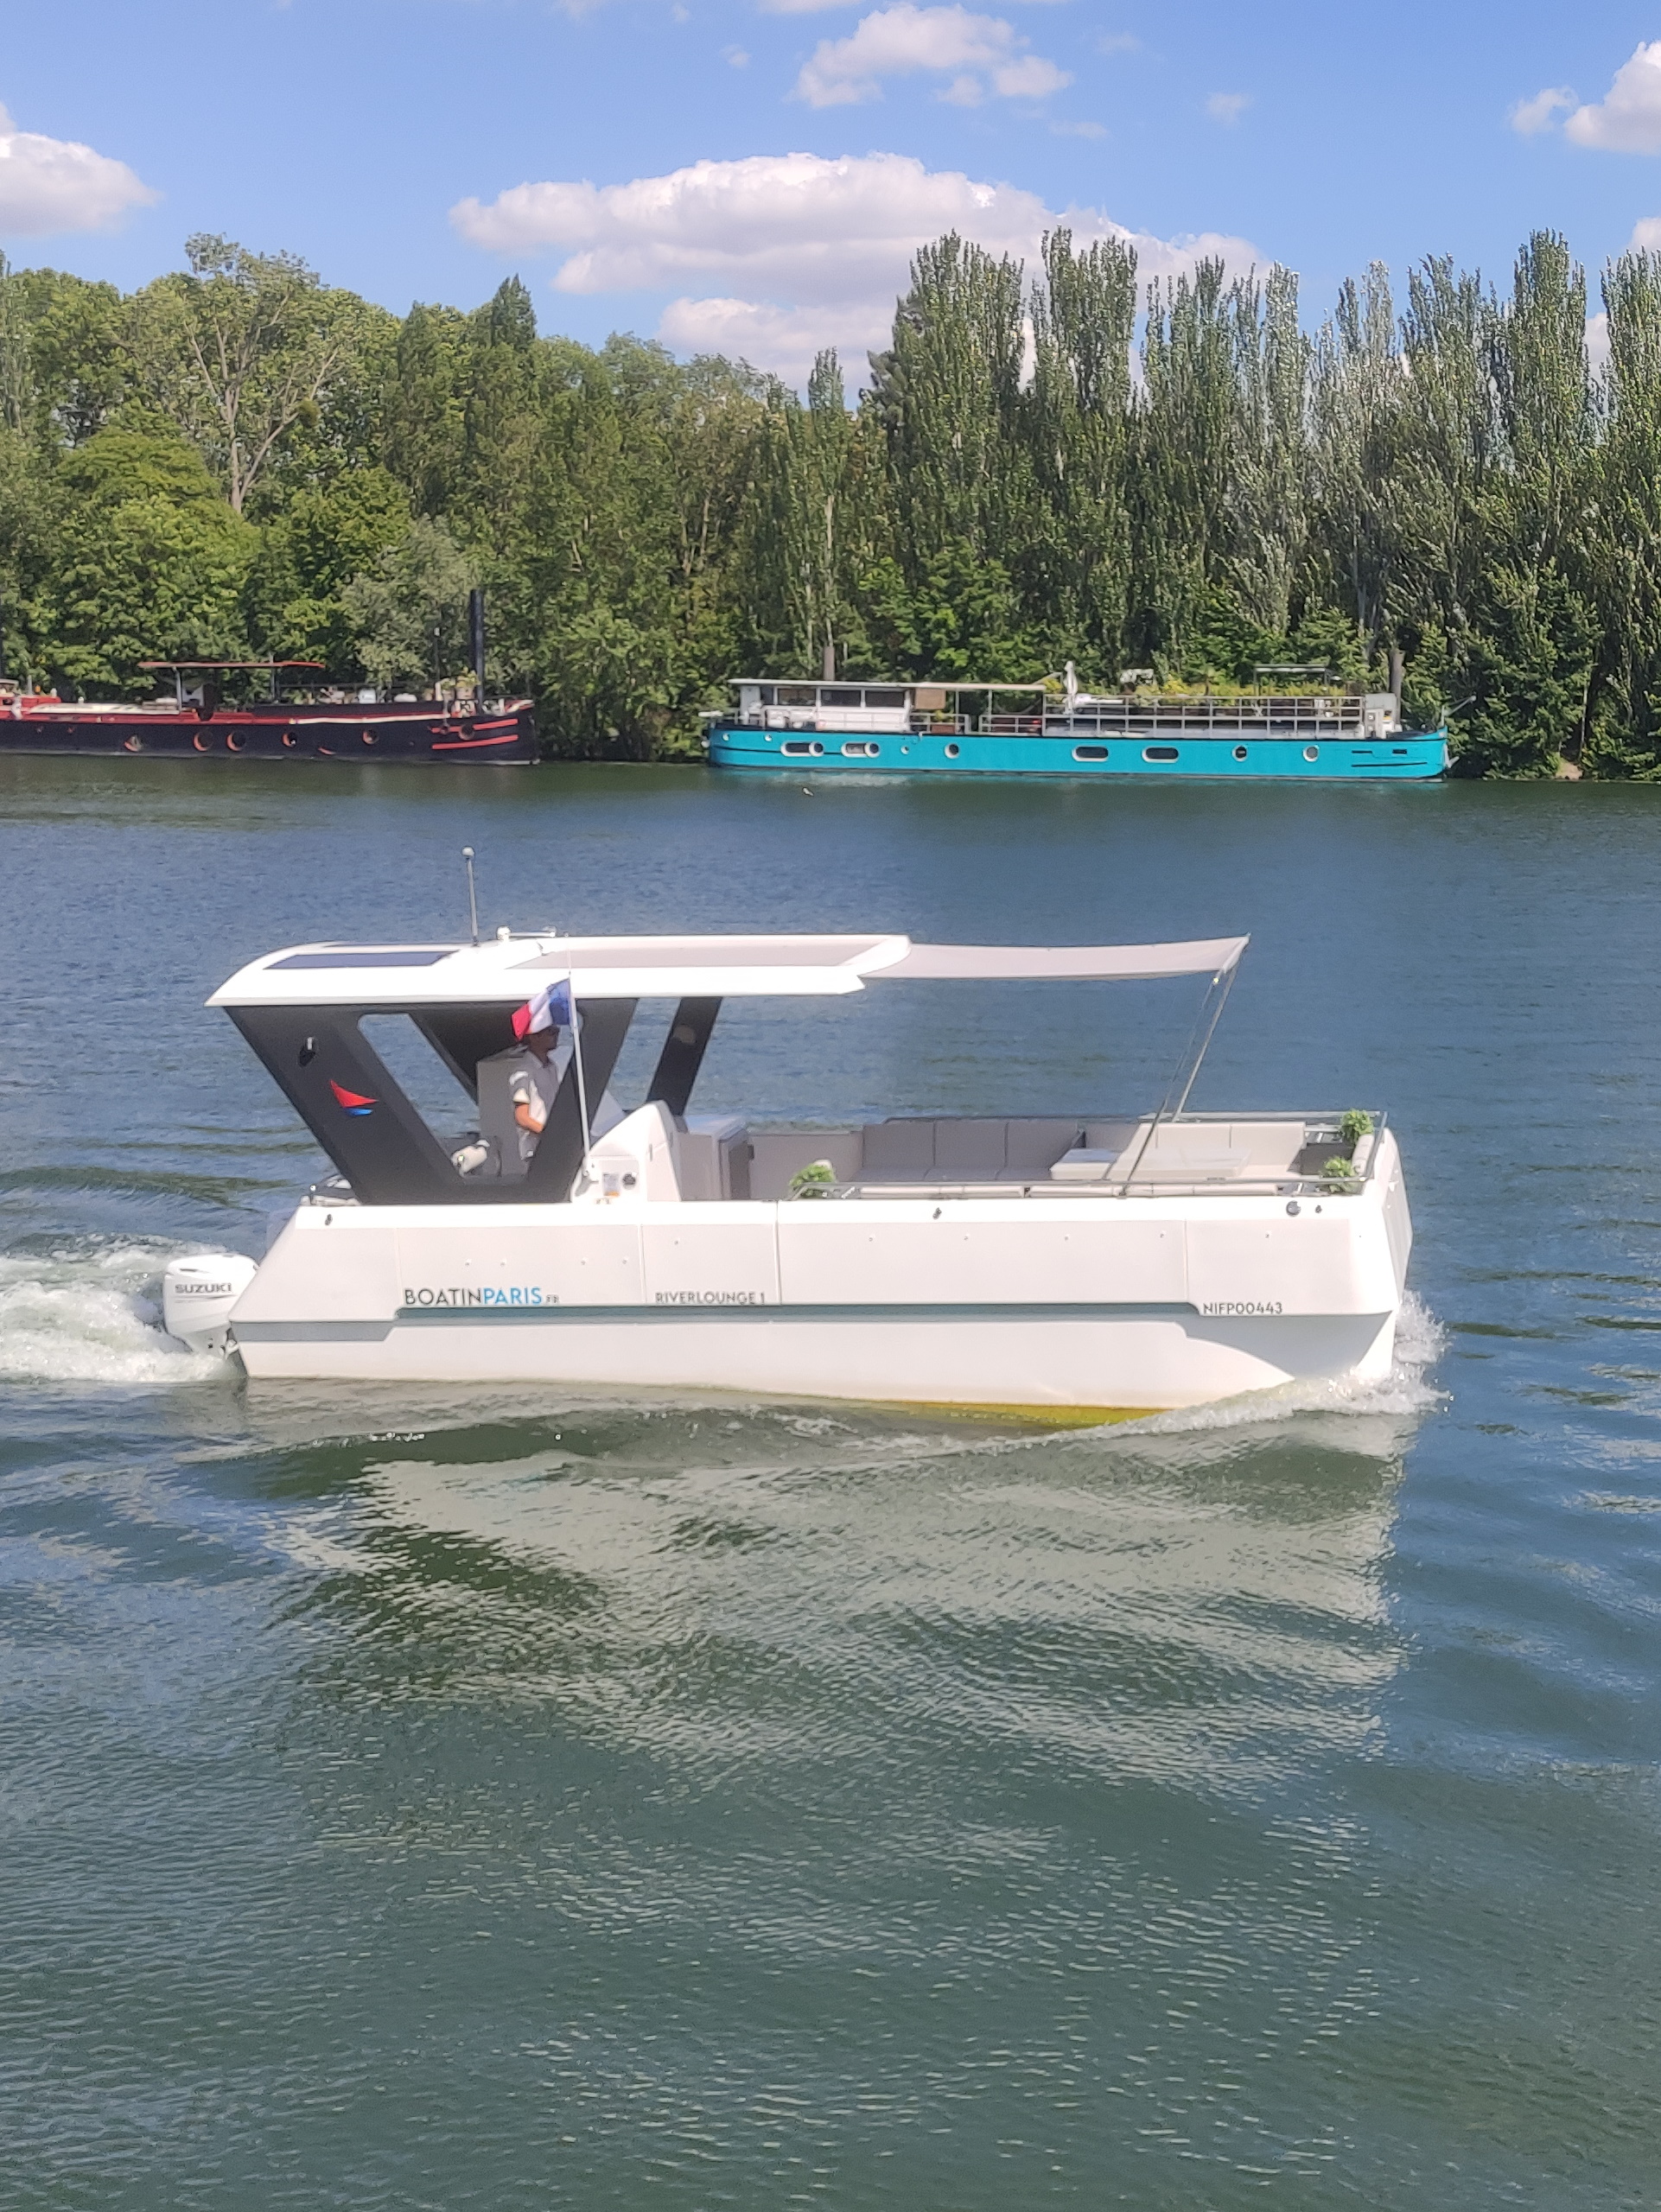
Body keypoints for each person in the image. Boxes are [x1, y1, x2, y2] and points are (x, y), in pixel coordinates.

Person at [504, 982, 624, 1166]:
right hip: (536, 1150)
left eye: (556, 1031)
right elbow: (522, 1117)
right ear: (535, 1036)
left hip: (556, 1148)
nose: (556, 1035)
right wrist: (550, 1135)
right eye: (551, 1032)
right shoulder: (523, 1072)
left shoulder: (551, 1067)